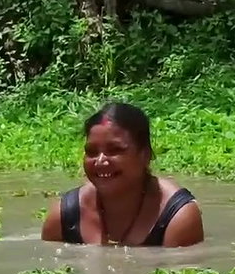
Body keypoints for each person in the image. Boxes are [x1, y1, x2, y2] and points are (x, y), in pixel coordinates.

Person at [41, 102, 204, 248]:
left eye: (115, 150)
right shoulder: (64, 217)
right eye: (91, 152)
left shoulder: (178, 216)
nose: (100, 161)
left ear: (144, 155)